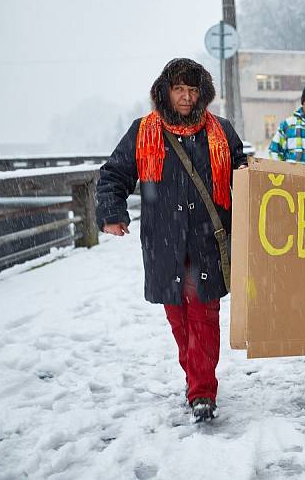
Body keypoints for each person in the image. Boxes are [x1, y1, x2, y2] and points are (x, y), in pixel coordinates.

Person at [96, 58, 247, 421]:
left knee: (204, 317)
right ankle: (196, 378)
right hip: (163, 241)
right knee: (179, 319)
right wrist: (111, 213)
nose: (185, 96)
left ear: (202, 93)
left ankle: (202, 392)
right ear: (165, 91)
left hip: (207, 241)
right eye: (179, 89)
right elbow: (114, 173)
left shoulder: (221, 131)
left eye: (192, 89)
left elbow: (244, 174)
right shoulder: (143, 131)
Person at [268, 82, 305, 164]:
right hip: (292, 176)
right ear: (303, 101)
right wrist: (280, 172)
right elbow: (274, 152)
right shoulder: (288, 125)